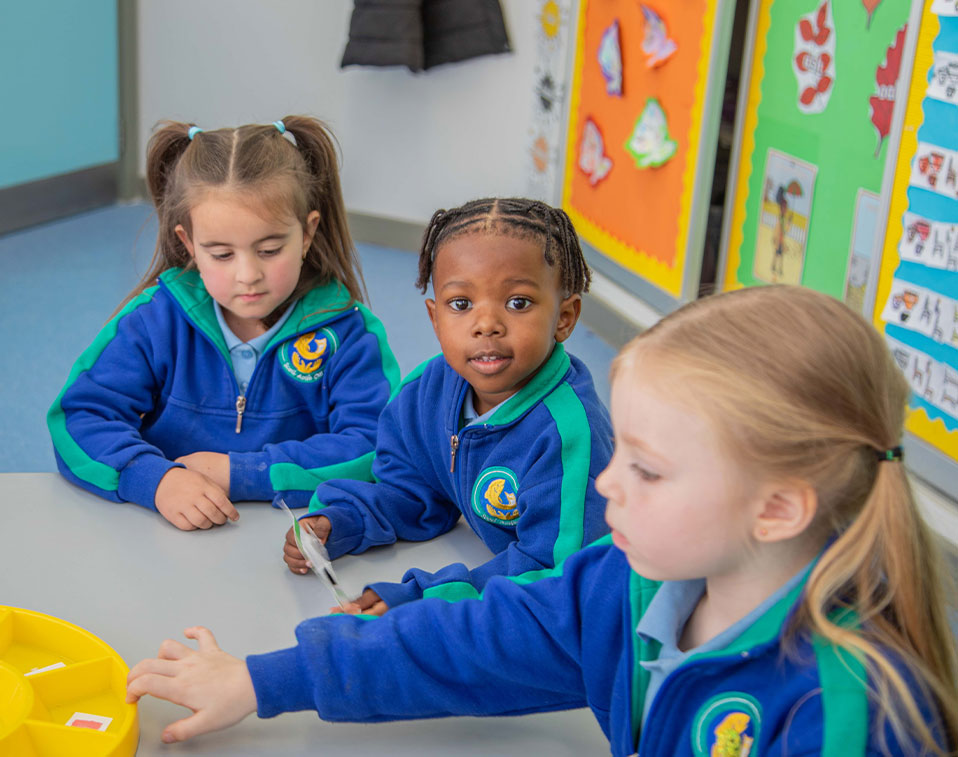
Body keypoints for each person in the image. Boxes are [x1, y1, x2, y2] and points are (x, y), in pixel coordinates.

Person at [127, 285, 958, 754]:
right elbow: (474, 641)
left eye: (648, 467)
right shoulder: (626, 579)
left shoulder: (859, 717)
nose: (606, 481)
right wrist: (263, 680)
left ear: (777, 508)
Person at [47, 117, 399, 530]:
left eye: (269, 249)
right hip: (160, 537)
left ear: (307, 233)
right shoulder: (154, 319)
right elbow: (79, 419)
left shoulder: (350, 334)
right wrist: (154, 479)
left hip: (288, 536)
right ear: (188, 244)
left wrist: (247, 473)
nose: (247, 275)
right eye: (221, 254)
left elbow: (377, 447)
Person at [284, 197, 614, 613]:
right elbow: (413, 490)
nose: (486, 324)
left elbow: (557, 576)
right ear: (434, 316)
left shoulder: (570, 436)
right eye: (461, 304)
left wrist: (426, 601)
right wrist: (344, 521)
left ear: (564, 317)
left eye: (518, 303)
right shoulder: (427, 390)